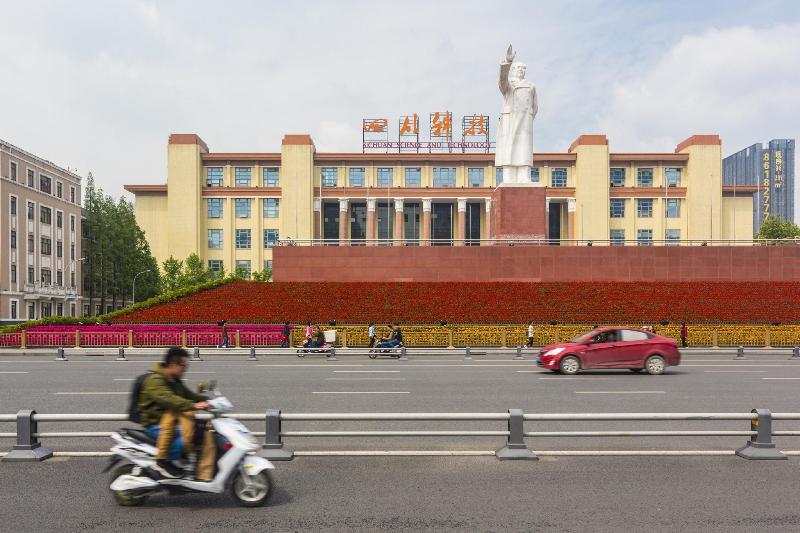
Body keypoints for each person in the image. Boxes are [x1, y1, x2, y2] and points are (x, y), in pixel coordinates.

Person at [138, 347, 215, 480]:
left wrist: (211, 402)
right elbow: (169, 399)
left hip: (172, 418)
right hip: (155, 423)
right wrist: (193, 405)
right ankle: (164, 462)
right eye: (183, 366)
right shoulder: (155, 379)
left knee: (203, 429)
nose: (185, 369)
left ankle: (195, 469)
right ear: (173, 364)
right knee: (188, 436)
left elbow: (189, 395)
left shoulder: (174, 380)